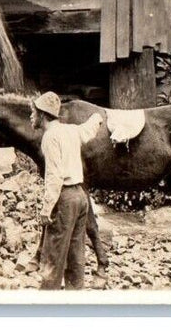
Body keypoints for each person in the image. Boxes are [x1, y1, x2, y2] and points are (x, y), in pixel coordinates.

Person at [31, 91, 104, 290]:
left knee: (53, 254)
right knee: (75, 254)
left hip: (64, 198)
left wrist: (47, 209)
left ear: (43, 114)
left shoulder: (49, 137)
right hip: (80, 197)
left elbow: (54, 176)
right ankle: (74, 298)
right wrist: (98, 117)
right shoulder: (71, 130)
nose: (31, 117)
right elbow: (88, 130)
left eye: (33, 112)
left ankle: (48, 303)